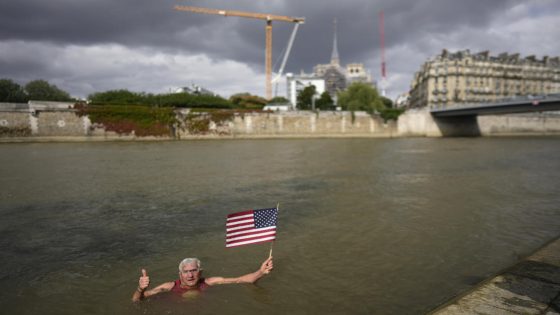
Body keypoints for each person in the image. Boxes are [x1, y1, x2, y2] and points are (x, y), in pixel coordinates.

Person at [132, 256, 273, 302]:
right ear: (180, 274)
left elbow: (241, 280)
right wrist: (140, 289)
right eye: (186, 272)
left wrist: (260, 272)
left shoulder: (209, 282)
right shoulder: (169, 287)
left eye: (193, 271)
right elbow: (137, 300)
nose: (190, 275)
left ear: (200, 272)